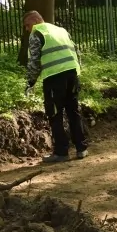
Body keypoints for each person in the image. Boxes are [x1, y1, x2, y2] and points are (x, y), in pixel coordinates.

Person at [23, 11, 89, 163]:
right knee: (73, 111)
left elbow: (34, 61)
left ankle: (61, 152)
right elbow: (75, 51)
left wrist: (30, 82)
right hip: (72, 74)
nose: (27, 29)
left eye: (27, 25)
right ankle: (82, 148)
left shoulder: (37, 33)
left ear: (35, 21)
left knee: (55, 114)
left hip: (54, 77)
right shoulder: (60, 30)